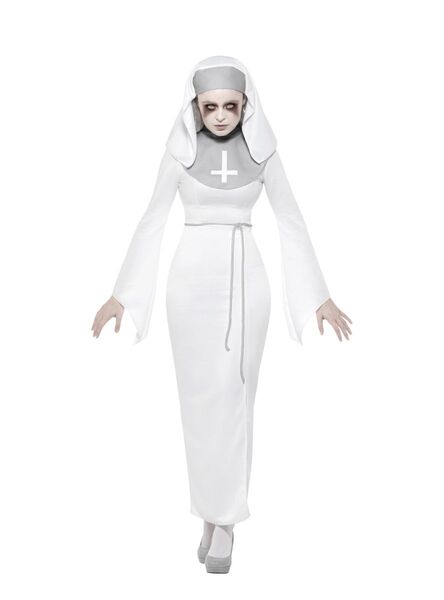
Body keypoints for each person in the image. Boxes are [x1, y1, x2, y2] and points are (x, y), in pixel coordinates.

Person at [91, 55, 352, 574]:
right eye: (209, 107)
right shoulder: (179, 152)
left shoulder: (263, 153)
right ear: (195, 106)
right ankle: (209, 515)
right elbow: (152, 219)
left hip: (245, 283)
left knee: (234, 398)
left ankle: (227, 520)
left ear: (245, 105)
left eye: (230, 106)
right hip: (189, 287)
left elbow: (290, 219)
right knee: (198, 404)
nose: (220, 116)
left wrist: (317, 295)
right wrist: (122, 294)